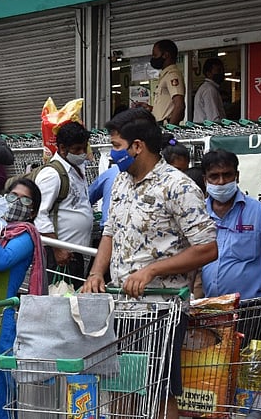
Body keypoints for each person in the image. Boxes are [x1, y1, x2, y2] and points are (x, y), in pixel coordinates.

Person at [81, 108, 217, 419]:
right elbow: (110, 233)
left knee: (158, 391)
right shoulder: (120, 183)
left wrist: (152, 270)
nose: (113, 154)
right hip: (122, 307)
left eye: (117, 146)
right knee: (120, 389)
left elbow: (208, 248)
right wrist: (95, 273)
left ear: (137, 146)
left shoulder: (178, 186)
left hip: (161, 310)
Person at [0, 178, 46, 418]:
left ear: (32, 210)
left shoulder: (26, 236)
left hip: (1, 320)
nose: (16, 203)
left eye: (24, 200)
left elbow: (2, 261)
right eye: (12, 196)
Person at [199, 149, 261, 299]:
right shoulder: (198, 215)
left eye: (227, 175)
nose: (221, 182)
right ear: (205, 180)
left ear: (237, 176)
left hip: (251, 310)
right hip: (210, 308)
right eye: (214, 176)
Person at [34, 121, 93, 289]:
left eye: (84, 148)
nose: (81, 153)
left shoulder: (77, 169)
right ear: (61, 148)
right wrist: (57, 248)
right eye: (76, 150)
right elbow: (39, 214)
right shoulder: (52, 175)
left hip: (74, 254)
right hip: (58, 256)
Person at [149, 39, 185, 125]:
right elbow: (167, 109)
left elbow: (179, 106)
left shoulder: (172, 75)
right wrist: (150, 108)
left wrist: (170, 131)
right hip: (160, 125)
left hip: (165, 126)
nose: (153, 58)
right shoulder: (165, 75)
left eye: (155, 55)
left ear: (165, 55)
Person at [193, 58, 226, 123]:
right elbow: (213, 118)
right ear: (208, 73)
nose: (222, 73)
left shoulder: (207, 88)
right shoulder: (209, 90)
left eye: (223, 71)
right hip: (208, 131)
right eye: (218, 71)